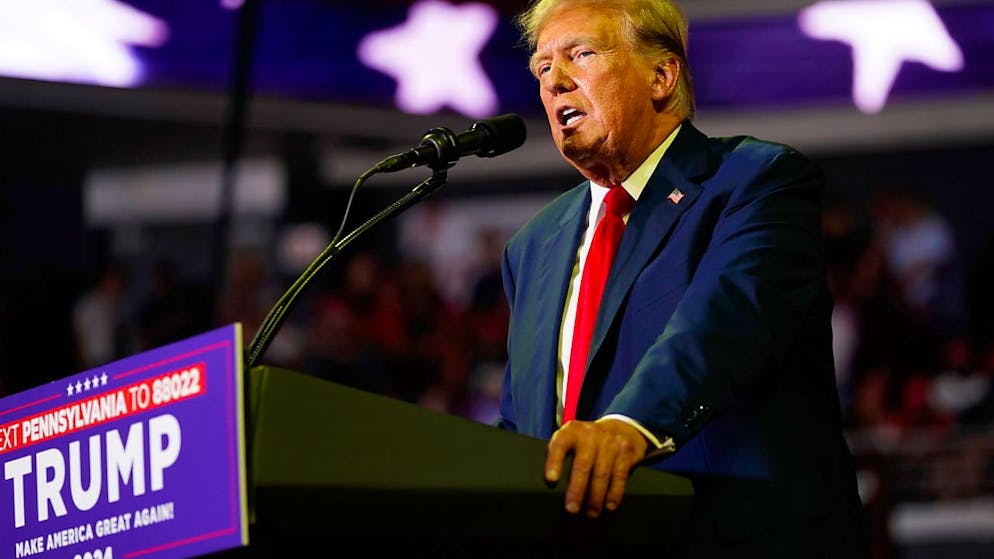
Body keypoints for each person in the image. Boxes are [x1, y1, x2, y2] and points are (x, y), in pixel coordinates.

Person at [498, 0, 869, 556]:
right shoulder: (531, 246)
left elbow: (723, 325)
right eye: (543, 68)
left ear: (661, 75)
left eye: (581, 55)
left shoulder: (753, 182)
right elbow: (522, 423)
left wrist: (628, 425)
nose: (556, 82)